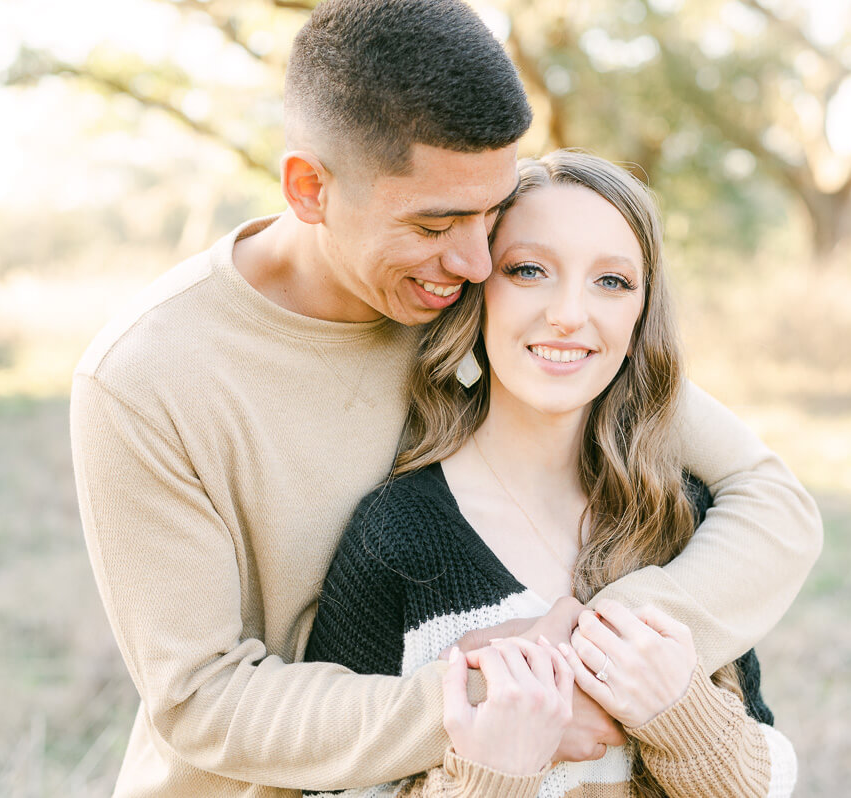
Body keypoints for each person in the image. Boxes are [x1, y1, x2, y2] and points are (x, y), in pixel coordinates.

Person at [69, 1, 822, 796]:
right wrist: (490, 699)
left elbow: (768, 494)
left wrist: (613, 637)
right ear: (309, 188)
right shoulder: (144, 378)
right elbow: (200, 700)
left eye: (492, 213)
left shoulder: (477, 296)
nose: (472, 257)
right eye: (437, 224)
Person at [303, 150, 799, 797]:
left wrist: (681, 715)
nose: (569, 313)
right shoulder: (397, 535)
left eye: (612, 282)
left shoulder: (678, 516)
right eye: (529, 270)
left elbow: (763, 779)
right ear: (478, 290)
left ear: (639, 316)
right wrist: (491, 774)